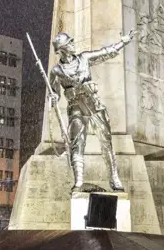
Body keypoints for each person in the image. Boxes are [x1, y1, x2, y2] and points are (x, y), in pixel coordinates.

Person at [47, 30, 137, 193]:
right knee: (77, 144)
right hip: (75, 107)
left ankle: (114, 177)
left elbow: (104, 53)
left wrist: (122, 43)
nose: (73, 44)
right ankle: (78, 182)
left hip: (94, 104)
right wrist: (52, 98)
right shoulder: (56, 71)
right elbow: (54, 94)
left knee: (106, 141)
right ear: (62, 49)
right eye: (69, 43)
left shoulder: (84, 58)